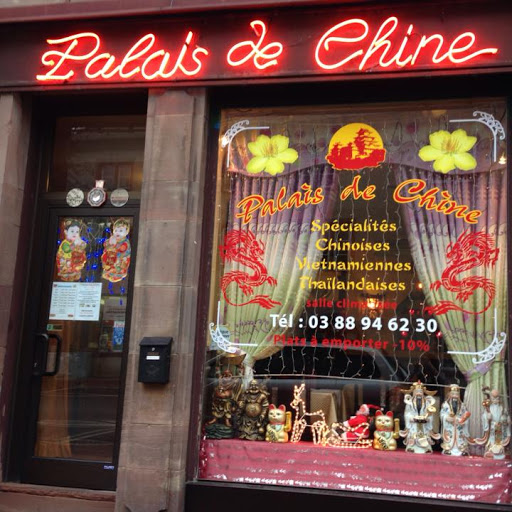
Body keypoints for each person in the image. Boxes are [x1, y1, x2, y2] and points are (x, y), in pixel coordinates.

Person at [400, 380, 440, 453]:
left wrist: (428, 418)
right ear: (414, 393)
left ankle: (426, 448)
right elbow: (407, 413)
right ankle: (411, 447)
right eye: (417, 392)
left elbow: (430, 413)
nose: (419, 393)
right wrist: (410, 418)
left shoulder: (427, 403)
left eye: (420, 392)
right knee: (413, 435)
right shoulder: (409, 403)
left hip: (424, 425)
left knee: (425, 435)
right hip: (413, 424)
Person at [478, 388, 510, 459]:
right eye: (493, 398)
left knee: (500, 442)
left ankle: (500, 452)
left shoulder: (502, 408)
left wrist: (507, 419)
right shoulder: (488, 408)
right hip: (492, 428)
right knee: (492, 441)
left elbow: (506, 416)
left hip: (500, 428)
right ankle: (491, 452)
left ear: (499, 398)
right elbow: (484, 416)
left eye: (497, 398)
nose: (495, 400)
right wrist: (487, 417)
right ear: (491, 398)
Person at [440, 384, 471, 456]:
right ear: (450, 394)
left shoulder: (462, 406)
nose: (455, 396)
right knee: (449, 438)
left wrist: (464, 421)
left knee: (460, 438)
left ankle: (461, 450)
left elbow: (466, 416)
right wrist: (446, 418)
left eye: (456, 394)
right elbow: (442, 414)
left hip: (459, 426)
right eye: (453, 394)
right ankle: (448, 449)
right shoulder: (445, 405)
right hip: (450, 426)